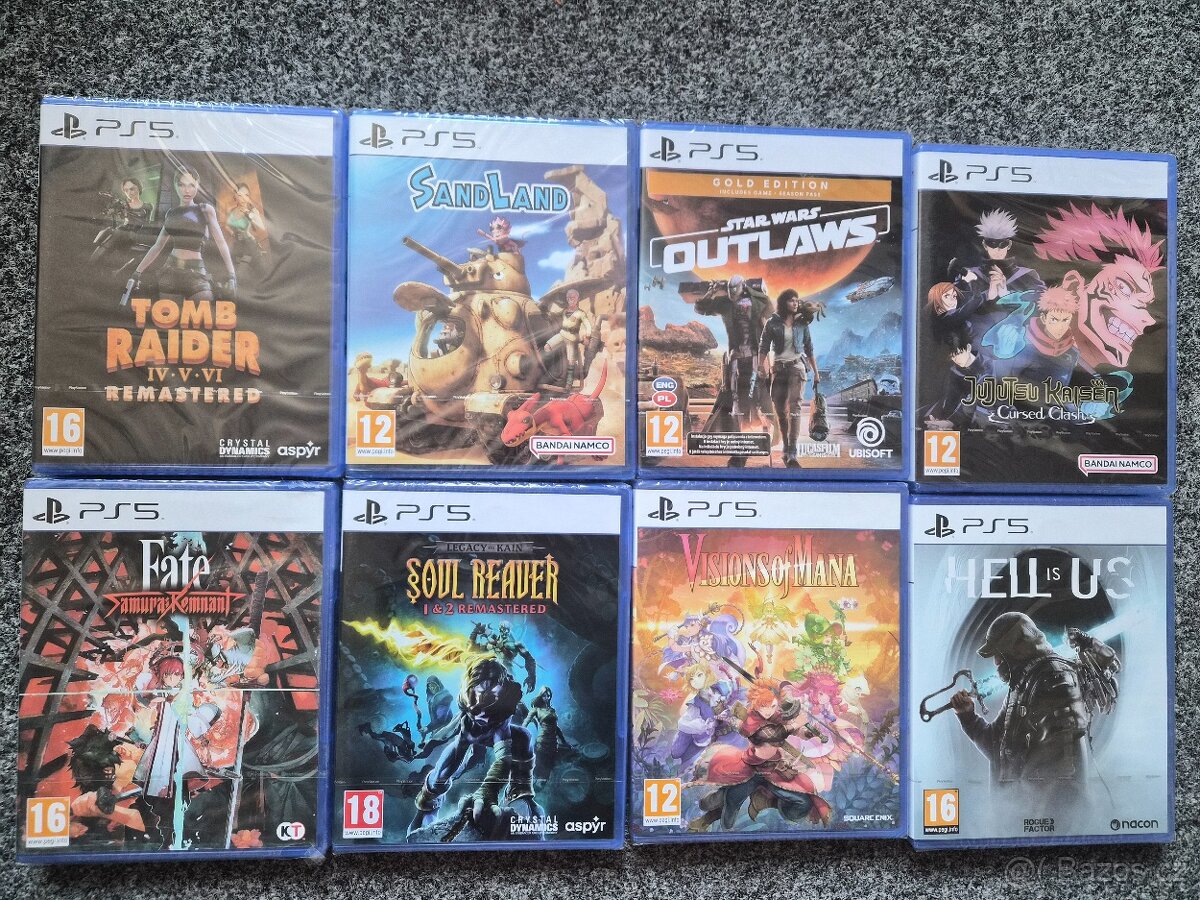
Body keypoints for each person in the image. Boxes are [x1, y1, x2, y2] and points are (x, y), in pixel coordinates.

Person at [123, 167, 236, 306]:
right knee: (167, 316)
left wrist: (231, 274)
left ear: (197, 185)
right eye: (182, 185)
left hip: (196, 273)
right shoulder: (171, 213)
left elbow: (221, 242)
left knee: (203, 313)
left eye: (191, 185)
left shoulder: (205, 210)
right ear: (176, 186)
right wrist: (137, 272)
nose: (186, 190)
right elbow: (158, 246)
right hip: (170, 271)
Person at [758, 289, 822, 467]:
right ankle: (786, 448)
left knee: (795, 409)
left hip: (797, 369)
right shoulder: (772, 323)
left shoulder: (802, 323)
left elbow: (809, 348)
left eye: (797, 300)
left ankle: (792, 453)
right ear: (783, 302)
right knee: (780, 412)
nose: (795, 303)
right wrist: (759, 366)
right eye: (791, 300)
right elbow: (763, 346)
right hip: (778, 370)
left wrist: (816, 373)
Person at [224, 182, 267, 263]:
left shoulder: (253, 211)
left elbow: (262, 227)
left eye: (246, 195)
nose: (243, 198)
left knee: (243, 266)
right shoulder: (231, 210)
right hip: (237, 245)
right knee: (235, 264)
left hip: (249, 244)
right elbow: (227, 225)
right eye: (240, 195)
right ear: (235, 196)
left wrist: (249, 214)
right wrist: (232, 233)